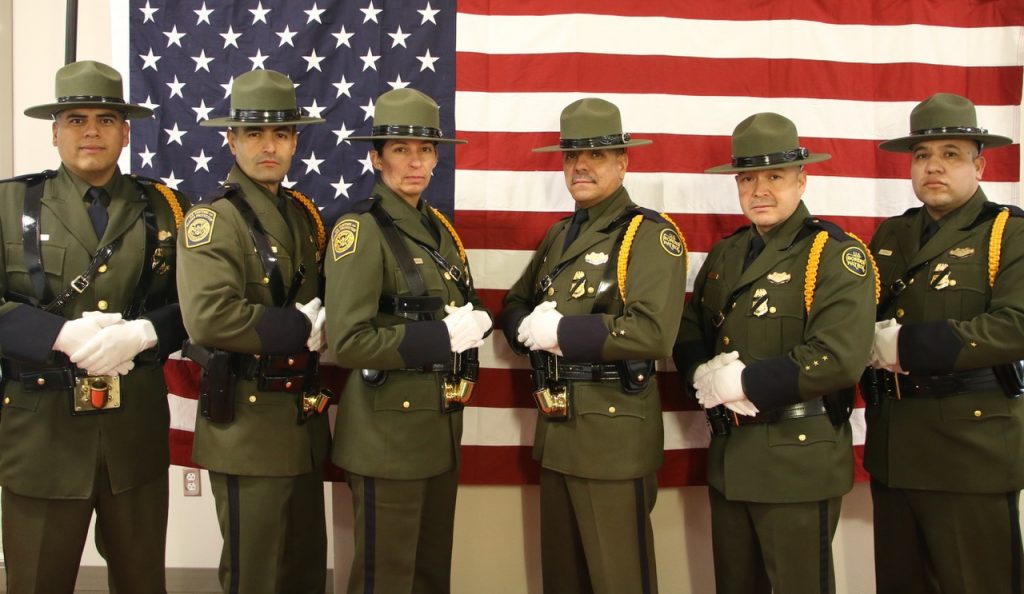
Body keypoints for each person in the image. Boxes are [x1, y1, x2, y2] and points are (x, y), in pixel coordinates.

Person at [0, 60, 190, 593]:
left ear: (125, 132)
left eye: (106, 119)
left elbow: (195, 304)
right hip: (41, 434)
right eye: (76, 118)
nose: (91, 131)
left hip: (133, 433)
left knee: (141, 580)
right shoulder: (8, 205)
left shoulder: (167, 208)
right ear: (56, 131)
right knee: (38, 580)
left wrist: (148, 333)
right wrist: (52, 335)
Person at [674, 112, 875, 594]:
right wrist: (700, 371)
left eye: (775, 176)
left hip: (797, 461)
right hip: (731, 457)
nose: (759, 190)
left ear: (802, 180)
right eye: (747, 178)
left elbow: (839, 356)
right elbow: (687, 327)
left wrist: (742, 383)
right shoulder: (726, 254)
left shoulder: (835, 254)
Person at [501, 97, 687, 594]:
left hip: (613, 433)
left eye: (596, 154)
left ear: (623, 163)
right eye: (570, 155)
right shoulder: (560, 235)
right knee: (564, 579)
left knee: (618, 579)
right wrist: (529, 327)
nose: (580, 165)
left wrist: (559, 334)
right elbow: (515, 303)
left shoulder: (649, 235)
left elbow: (652, 333)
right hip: (559, 428)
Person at [324, 87, 489, 594]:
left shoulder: (436, 227)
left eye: (424, 150)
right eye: (400, 149)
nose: (414, 161)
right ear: (376, 158)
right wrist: (439, 337)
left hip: (437, 428)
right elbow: (347, 340)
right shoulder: (361, 229)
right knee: (386, 577)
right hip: (386, 432)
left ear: (437, 157)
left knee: (428, 573)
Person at [176, 69, 331, 594]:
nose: (270, 146)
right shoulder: (214, 220)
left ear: (294, 141)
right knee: (256, 575)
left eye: (282, 134)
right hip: (247, 419)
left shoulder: (300, 214)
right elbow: (209, 317)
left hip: (301, 419)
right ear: (232, 140)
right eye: (255, 134)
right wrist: (299, 326)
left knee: (305, 570)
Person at [863, 92, 1024, 594]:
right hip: (895, 443)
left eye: (950, 154)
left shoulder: (1009, 233)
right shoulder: (890, 236)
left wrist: (906, 346)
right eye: (922, 155)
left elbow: (1016, 325)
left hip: (969, 450)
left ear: (979, 164)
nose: (933, 166)